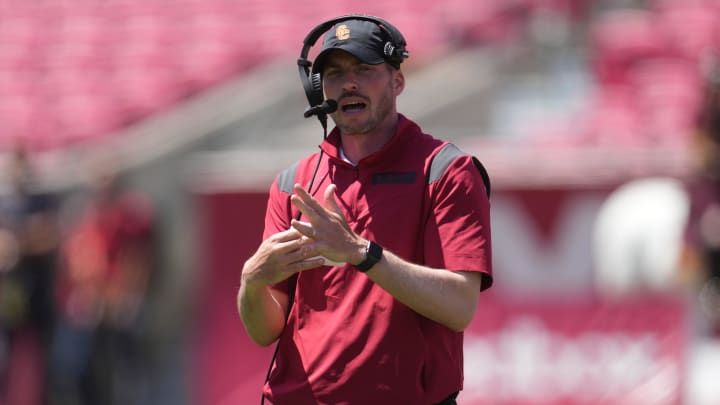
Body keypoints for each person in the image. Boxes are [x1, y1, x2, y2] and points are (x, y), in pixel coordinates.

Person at [237, 15, 493, 405]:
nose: (349, 82)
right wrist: (251, 283)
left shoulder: (445, 171)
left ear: (398, 81)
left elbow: (459, 306)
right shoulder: (293, 183)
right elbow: (264, 330)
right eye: (335, 73)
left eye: (364, 68)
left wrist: (361, 253)